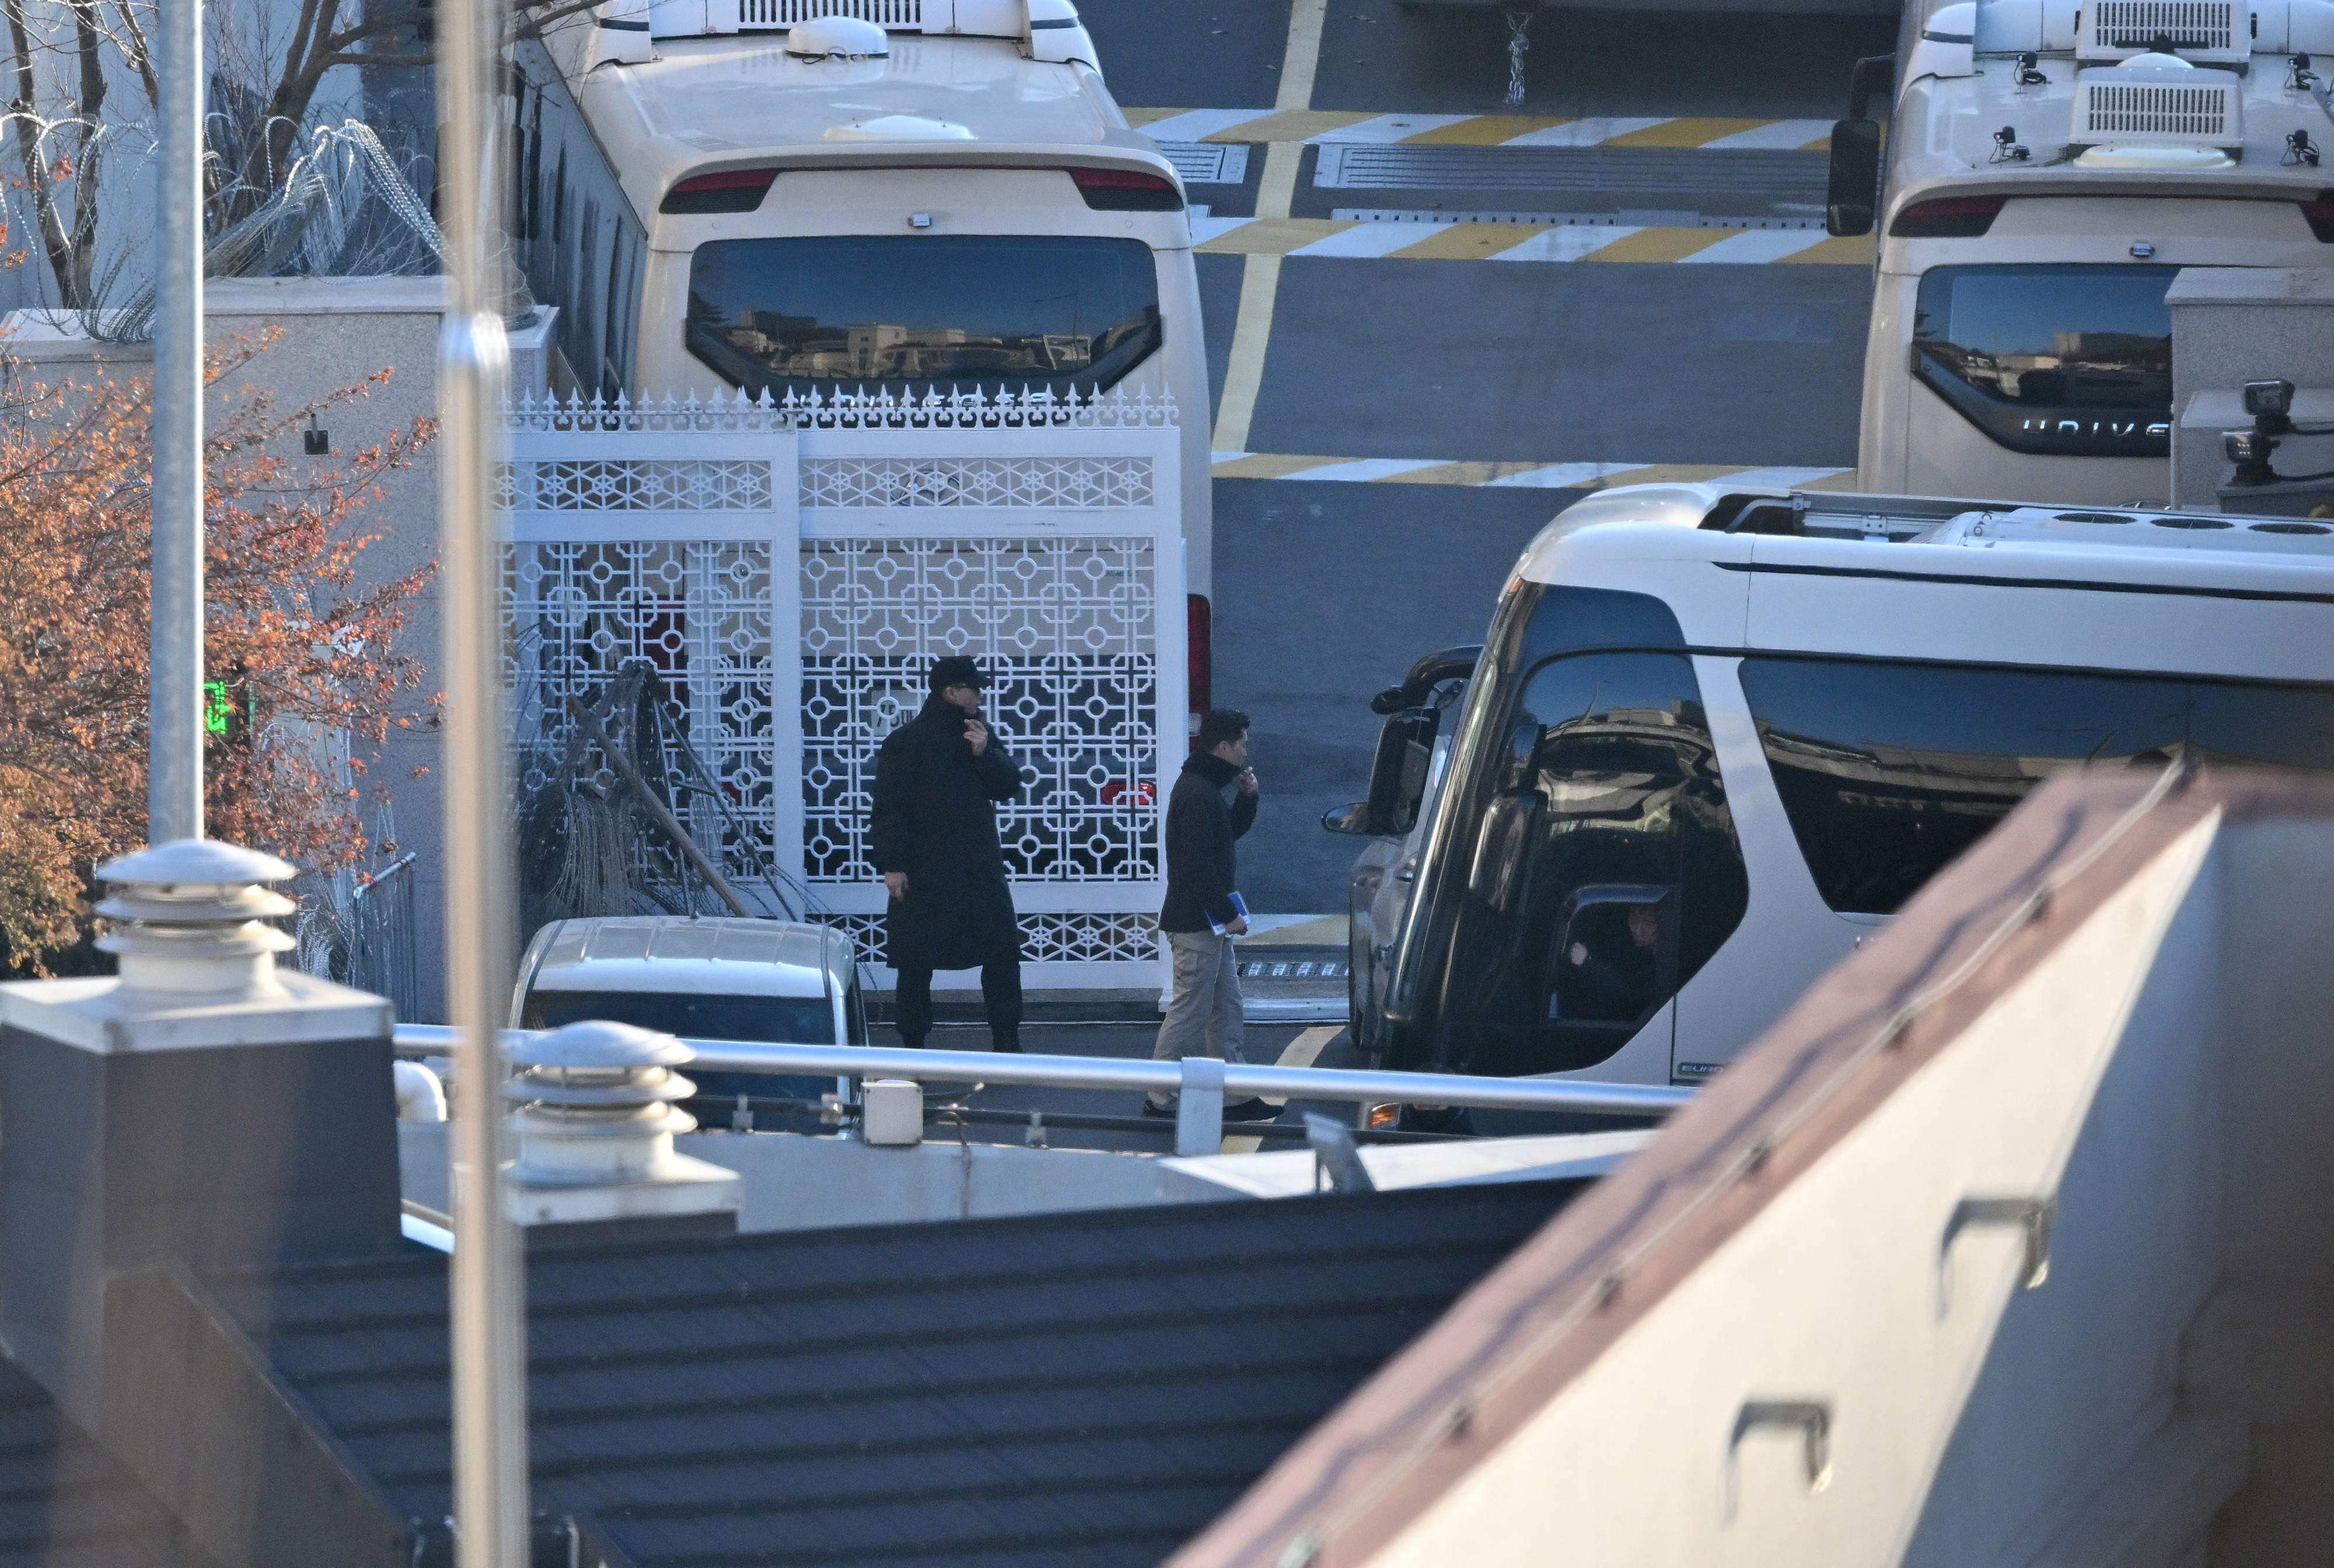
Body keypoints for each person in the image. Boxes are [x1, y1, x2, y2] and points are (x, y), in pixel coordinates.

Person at [869, 654, 1026, 1052]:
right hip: (926, 871)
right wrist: (893, 866)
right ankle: (914, 1045)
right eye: (973, 688)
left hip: (978, 868)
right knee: (916, 962)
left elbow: (1008, 786)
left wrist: (985, 753)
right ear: (950, 692)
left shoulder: (977, 733)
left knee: (1001, 954)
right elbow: (890, 808)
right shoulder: (907, 742)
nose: (980, 694)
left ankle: (1007, 1042)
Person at [1147, 709, 1277, 1121]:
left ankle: (1234, 1096)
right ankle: (1160, 1098)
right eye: (1241, 743)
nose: (1245, 750)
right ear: (1224, 747)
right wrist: (1226, 912)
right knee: (1190, 1012)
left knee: (1226, 1009)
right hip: (1197, 923)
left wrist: (1247, 797)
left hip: (1205, 922)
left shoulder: (1203, 788)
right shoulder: (1198, 793)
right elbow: (1195, 865)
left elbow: (1225, 836)